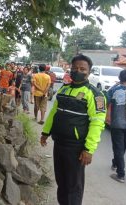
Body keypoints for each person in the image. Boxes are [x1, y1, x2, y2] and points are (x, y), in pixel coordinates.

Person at [40, 54, 106, 205]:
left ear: (89, 72)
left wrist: (89, 149)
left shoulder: (96, 95)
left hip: (76, 148)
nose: (78, 71)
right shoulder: (64, 89)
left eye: (82, 69)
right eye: (75, 68)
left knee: (74, 186)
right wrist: (45, 132)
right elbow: (53, 113)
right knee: (61, 182)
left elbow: (98, 123)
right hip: (59, 144)